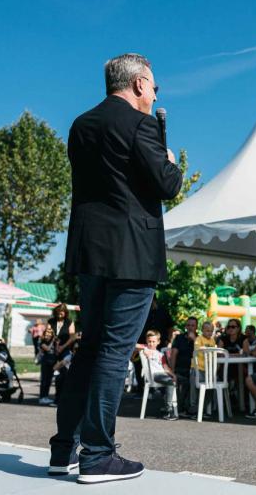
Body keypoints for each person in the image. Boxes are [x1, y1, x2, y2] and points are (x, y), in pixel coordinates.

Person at [49, 53, 182, 483]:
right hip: (132, 253)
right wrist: (171, 161)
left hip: (91, 252)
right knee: (113, 351)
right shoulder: (141, 124)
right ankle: (98, 455)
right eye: (155, 86)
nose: (156, 94)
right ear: (140, 84)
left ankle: (62, 449)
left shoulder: (81, 125)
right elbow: (166, 184)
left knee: (90, 348)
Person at [141, 330, 177, 421]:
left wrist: (173, 374)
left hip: (162, 374)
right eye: (149, 341)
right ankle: (169, 410)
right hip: (154, 375)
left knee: (177, 380)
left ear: (158, 342)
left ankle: (170, 407)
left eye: (153, 341)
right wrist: (144, 348)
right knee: (169, 381)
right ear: (146, 341)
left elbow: (165, 368)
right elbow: (133, 345)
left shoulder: (160, 354)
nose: (151, 343)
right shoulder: (146, 349)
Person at [47, 304, 76, 405]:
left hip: (66, 350)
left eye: (62, 312)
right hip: (52, 350)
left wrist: (62, 347)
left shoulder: (69, 322)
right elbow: (49, 334)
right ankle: (45, 397)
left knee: (63, 376)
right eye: (58, 312)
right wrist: (55, 346)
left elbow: (72, 337)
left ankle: (61, 399)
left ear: (65, 313)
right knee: (50, 373)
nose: (60, 314)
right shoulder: (51, 321)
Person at [169, 316, 197, 417]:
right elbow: (173, 354)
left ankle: (192, 407)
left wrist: (195, 340)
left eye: (193, 325)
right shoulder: (179, 338)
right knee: (182, 380)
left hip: (195, 370)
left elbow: (202, 354)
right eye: (188, 325)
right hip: (180, 369)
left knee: (193, 379)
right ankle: (181, 407)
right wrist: (172, 371)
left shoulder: (199, 339)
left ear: (196, 327)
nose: (190, 327)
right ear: (185, 326)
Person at [38, 325, 58, 405]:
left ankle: (45, 397)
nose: (48, 334)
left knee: (49, 380)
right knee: (44, 380)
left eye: (50, 333)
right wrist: (53, 341)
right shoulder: (42, 341)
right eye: (47, 333)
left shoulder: (54, 341)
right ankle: (42, 397)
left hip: (52, 362)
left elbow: (56, 351)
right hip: (45, 362)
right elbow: (48, 349)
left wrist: (56, 343)